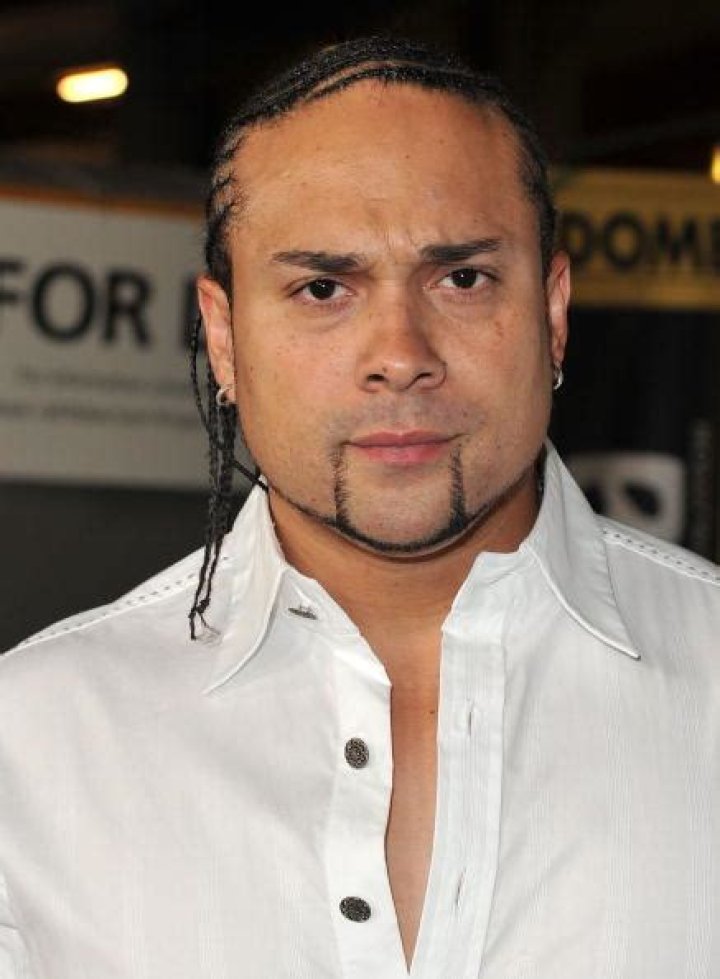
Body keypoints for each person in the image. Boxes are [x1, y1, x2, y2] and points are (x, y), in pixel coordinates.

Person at [1, 36, 718, 979]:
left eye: (462, 278)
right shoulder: (34, 743)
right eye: (323, 288)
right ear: (223, 337)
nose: (399, 354)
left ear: (552, 310)